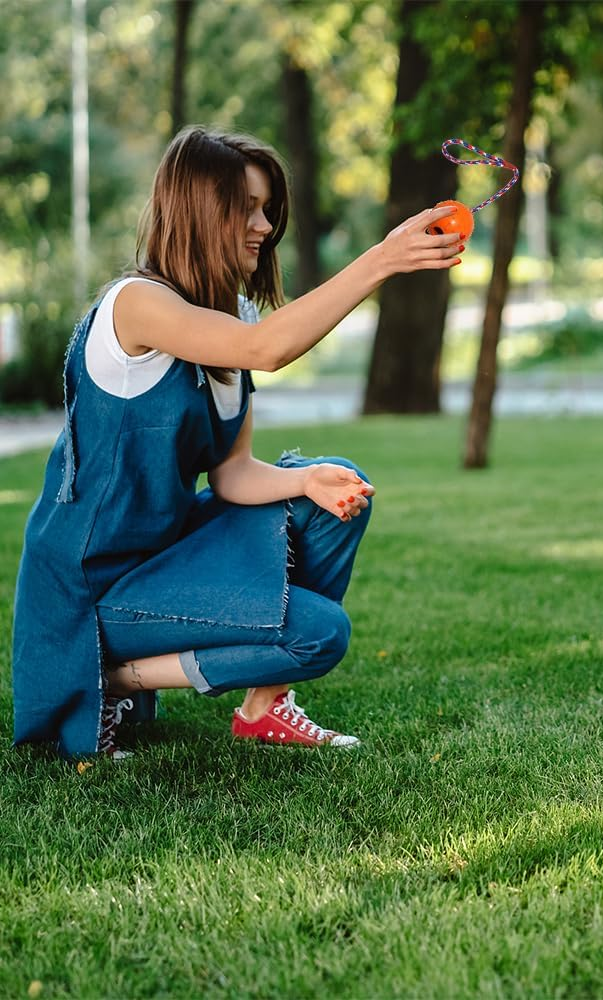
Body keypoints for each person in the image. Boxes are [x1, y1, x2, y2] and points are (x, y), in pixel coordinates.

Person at [12, 126, 463, 759]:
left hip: (163, 558)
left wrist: (306, 481)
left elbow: (231, 474)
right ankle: (107, 674)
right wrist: (382, 258)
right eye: (246, 208)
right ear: (199, 212)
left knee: (332, 486)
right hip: (90, 590)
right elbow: (267, 349)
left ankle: (264, 707)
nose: (265, 225)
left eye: (267, 209)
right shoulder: (136, 306)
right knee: (320, 634)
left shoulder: (231, 320)